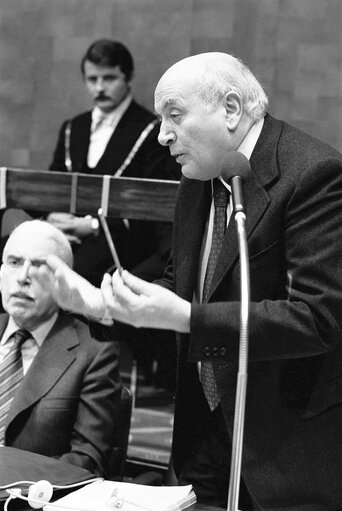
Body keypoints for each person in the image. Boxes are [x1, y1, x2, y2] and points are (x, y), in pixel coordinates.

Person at [33, 52, 342, 510]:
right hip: (203, 433)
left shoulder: (313, 174)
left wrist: (189, 317)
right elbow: (178, 288)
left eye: (174, 115)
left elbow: (317, 318)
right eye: (160, 118)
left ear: (231, 109)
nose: (162, 134)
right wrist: (101, 304)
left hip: (282, 445)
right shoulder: (198, 178)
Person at [48, 39, 180, 390]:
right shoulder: (72, 127)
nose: (100, 87)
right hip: (68, 236)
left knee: (77, 271)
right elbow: (54, 186)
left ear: (128, 77)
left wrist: (90, 223)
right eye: (92, 79)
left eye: (109, 78)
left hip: (123, 241)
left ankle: (75, 374)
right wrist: (55, 219)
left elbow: (152, 204)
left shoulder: (152, 131)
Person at [0, 220, 121, 478]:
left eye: (40, 266)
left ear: (63, 281)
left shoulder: (94, 353)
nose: (23, 277)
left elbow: (87, 461)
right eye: (14, 262)